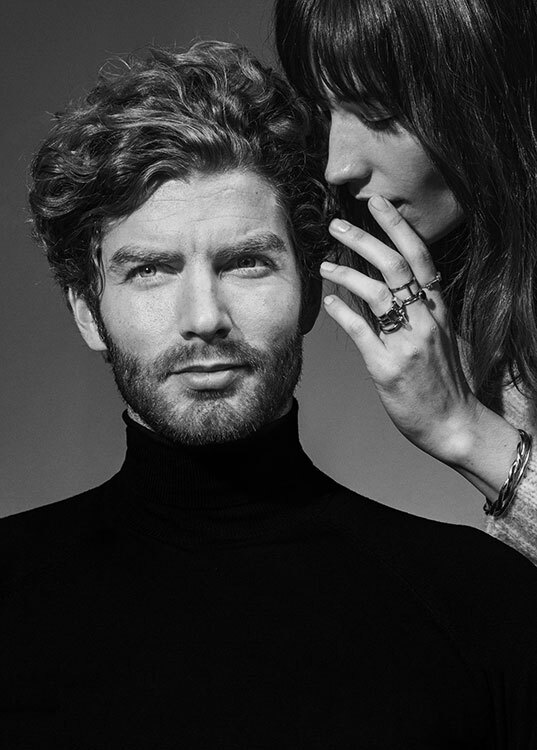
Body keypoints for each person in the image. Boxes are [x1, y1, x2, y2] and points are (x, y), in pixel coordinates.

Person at [2, 40, 537, 749]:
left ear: (311, 291)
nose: (203, 317)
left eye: (247, 263)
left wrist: (464, 431)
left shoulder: (481, 601)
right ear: (87, 312)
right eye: (151, 270)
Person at [274, 0, 537, 565]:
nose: (338, 166)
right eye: (325, 113)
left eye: (375, 113)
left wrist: (463, 431)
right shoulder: (484, 288)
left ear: (489, 89)